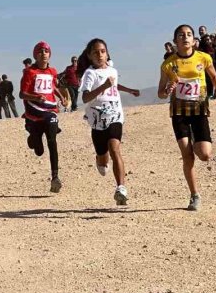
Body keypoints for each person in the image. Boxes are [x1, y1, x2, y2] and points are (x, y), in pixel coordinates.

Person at [157, 24, 216, 212]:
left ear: (193, 39)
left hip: (199, 111)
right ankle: (194, 195)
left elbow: (214, 77)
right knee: (187, 157)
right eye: (181, 35)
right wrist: (168, 88)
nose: (185, 38)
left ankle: (197, 140)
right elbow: (161, 93)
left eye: (188, 34)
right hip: (179, 113)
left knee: (204, 155)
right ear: (175, 41)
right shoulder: (168, 64)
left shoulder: (203, 58)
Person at [77, 38, 140, 206]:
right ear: (90, 56)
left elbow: (115, 85)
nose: (100, 55)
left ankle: (121, 188)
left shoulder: (112, 70)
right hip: (97, 121)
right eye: (96, 52)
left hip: (115, 116)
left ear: (107, 53)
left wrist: (129, 90)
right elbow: (85, 97)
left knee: (115, 149)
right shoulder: (89, 74)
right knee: (103, 159)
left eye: (103, 51)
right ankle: (99, 159)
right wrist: (103, 86)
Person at [20, 41, 70, 193]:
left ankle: (55, 177)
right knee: (39, 150)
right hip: (34, 113)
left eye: (46, 51)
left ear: (50, 54)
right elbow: (22, 94)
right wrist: (35, 98)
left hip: (50, 110)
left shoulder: (52, 72)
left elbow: (53, 86)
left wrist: (61, 97)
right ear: (35, 55)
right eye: (40, 51)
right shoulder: (29, 72)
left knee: (52, 140)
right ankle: (33, 138)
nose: (43, 54)